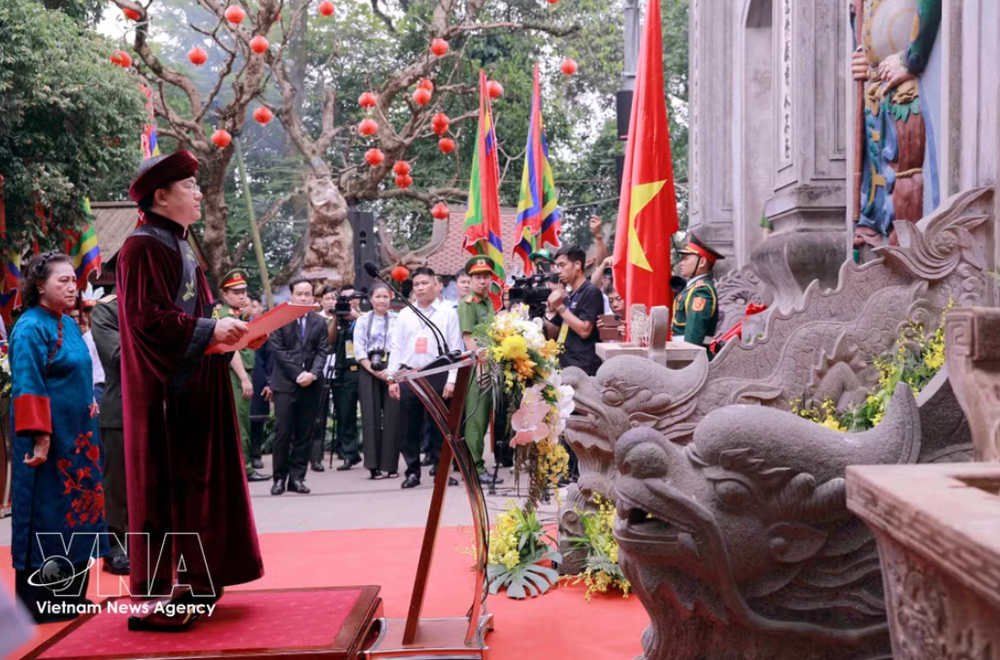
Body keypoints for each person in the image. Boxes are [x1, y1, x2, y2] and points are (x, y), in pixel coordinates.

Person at [117, 150, 263, 629]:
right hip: (164, 394)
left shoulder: (178, 243)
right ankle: (161, 594)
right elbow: (147, 321)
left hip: (195, 388)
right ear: (161, 197)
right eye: (190, 186)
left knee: (197, 488)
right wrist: (210, 331)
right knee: (166, 491)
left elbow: (198, 318)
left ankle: (200, 577)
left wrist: (232, 334)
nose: (199, 193)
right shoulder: (142, 247)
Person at [10, 252, 109, 624]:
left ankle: (72, 596)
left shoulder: (66, 323)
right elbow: (28, 382)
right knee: (49, 514)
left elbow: (82, 372)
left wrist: (89, 402)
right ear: (39, 285)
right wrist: (40, 436)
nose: (72, 287)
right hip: (48, 442)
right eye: (62, 281)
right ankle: (43, 602)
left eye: (73, 280)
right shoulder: (30, 327)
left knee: (79, 513)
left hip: (79, 441)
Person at [387, 267, 463, 489]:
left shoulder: (448, 313)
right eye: (416, 284)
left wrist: (452, 379)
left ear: (436, 285)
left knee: (440, 428)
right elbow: (396, 346)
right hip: (410, 375)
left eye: (424, 283)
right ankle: (412, 472)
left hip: (437, 374)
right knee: (408, 427)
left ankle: (441, 472)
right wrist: (392, 378)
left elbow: (455, 348)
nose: (420, 288)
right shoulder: (405, 314)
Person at [268, 279, 328, 495]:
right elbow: (278, 350)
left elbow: (322, 351)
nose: (303, 298)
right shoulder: (279, 318)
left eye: (307, 294)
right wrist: (298, 373)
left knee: (305, 433)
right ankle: (279, 479)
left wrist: (313, 373)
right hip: (285, 384)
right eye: (299, 294)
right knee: (282, 433)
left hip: (311, 385)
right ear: (291, 295)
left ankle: (297, 478)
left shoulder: (319, 321)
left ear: (313, 297)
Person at [214, 270, 270, 482]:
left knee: (241, 421)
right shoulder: (225, 318)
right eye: (236, 292)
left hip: (241, 374)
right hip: (235, 375)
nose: (241, 296)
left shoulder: (236, 315)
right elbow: (231, 350)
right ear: (225, 295)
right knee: (241, 425)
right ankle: (245, 469)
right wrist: (244, 379)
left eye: (244, 292)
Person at [90, 292, 130, 577]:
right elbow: (118, 356)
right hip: (121, 408)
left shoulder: (168, 305)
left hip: (165, 408)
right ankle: (116, 547)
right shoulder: (108, 310)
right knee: (117, 485)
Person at [458, 256, 503, 485]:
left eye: (486, 277)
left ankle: (475, 464)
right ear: (471, 279)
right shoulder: (469, 304)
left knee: (484, 418)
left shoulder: (487, 303)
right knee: (476, 419)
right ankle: (473, 467)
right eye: (477, 277)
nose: (482, 281)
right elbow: (469, 339)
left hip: (489, 365)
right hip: (478, 369)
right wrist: (481, 367)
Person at [354, 283, 399, 479]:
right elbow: (359, 350)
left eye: (385, 296)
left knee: (393, 415)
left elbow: (401, 345)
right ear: (371, 299)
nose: (382, 300)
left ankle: (390, 465)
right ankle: (373, 466)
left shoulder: (398, 319)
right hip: (368, 367)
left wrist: (391, 370)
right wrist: (374, 370)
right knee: (370, 416)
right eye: (378, 297)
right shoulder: (363, 320)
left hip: (392, 367)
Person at [544, 245, 604, 376]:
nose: (558, 271)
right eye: (557, 266)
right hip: (564, 366)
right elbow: (553, 332)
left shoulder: (590, 291)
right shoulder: (568, 295)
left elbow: (585, 330)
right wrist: (539, 315)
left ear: (577, 265)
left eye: (562, 265)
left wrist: (560, 307)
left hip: (583, 369)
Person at [329, 283, 362, 471]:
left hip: (365, 370)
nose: (349, 302)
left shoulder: (366, 317)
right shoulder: (339, 319)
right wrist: (336, 317)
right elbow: (329, 340)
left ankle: (375, 455)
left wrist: (357, 317)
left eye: (352, 298)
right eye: (345, 299)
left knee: (370, 413)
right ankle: (350, 454)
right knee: (345, 413)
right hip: (344, 370)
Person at [672, 232, 723, 351]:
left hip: (689, 355)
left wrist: (686, 357)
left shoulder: (701, 291)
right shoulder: (692, 288)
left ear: (702, 262)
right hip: (681, 352)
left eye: (686, 259)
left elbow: (693, 336)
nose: (682, 263)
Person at [312, 285, 338, 468]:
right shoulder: (317, 319)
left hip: (340, 367)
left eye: (334, 298)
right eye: (328, 298)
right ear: (321, 301)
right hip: (321, 368)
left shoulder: (346, 317)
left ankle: (346, 452)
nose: (331, 302)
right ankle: (316, 456)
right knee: (319, 414)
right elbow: (328, 340)